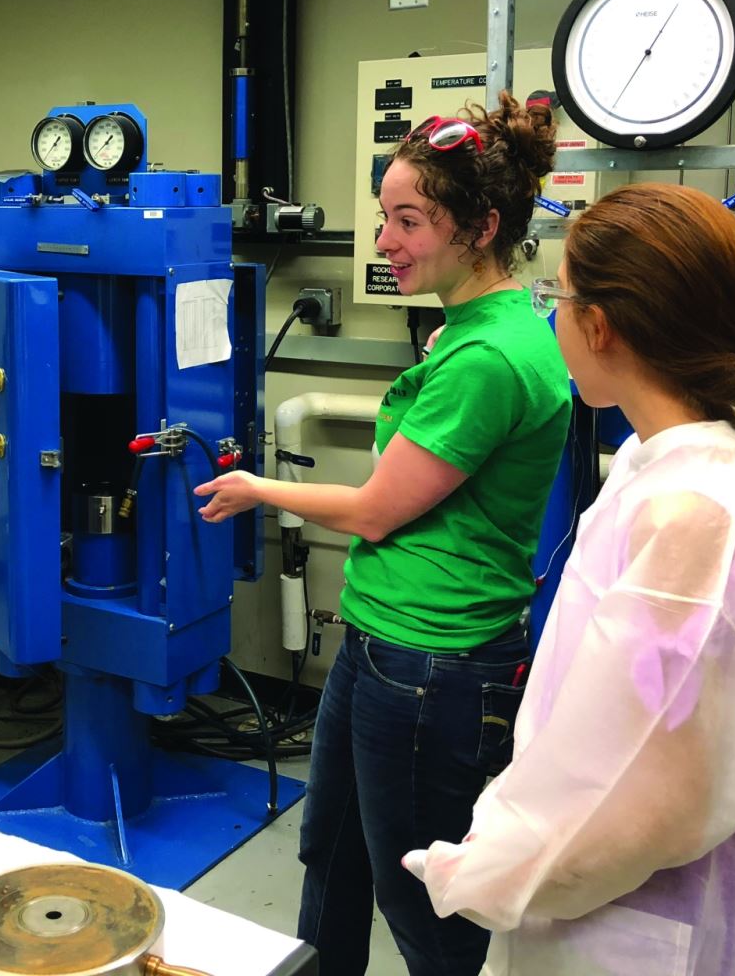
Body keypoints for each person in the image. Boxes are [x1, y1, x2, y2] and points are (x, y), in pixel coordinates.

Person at [403, 182, 735, 976]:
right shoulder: (668, 462)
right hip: (632, 905)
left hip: (637, 927)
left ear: (597, 326)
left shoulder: (690, 517)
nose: (551, 313)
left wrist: (491, 871)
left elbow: (638, 809)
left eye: (554, 297)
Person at [195, 92, 571, 976]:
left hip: (433, 663)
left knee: (422, 896)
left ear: (480, 227)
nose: (386, 241)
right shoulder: (470, 332)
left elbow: (374, 509)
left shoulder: (486, 357)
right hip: (381, 638)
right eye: (384, 218)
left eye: (410, 221)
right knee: (331, 853)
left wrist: (259, 488)